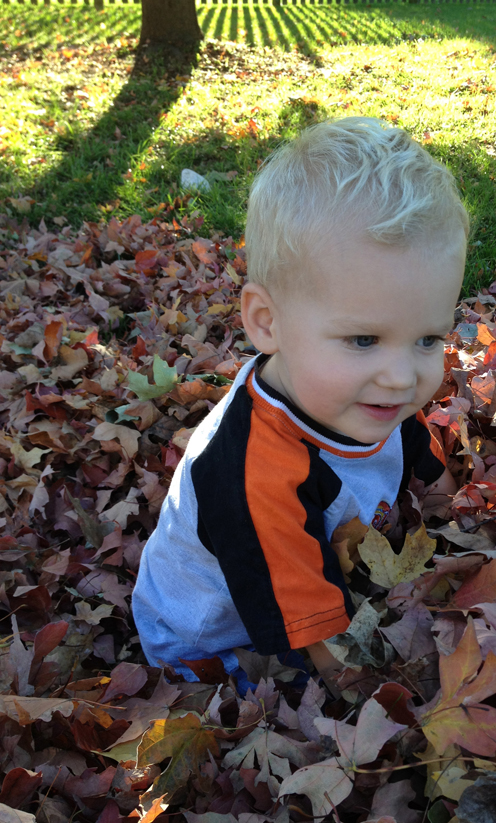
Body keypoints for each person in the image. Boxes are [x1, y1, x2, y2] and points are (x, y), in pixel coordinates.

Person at [132, 116, 469, 692]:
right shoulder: (255, 474)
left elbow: (422, 462)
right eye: (363, 340)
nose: (402, 377)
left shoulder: (363, 394)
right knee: (291, 700)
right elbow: (319, 641)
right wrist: (376, 698)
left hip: (316, 571)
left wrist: (452, 520)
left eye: (428, 339)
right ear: (268, 323)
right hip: (218, 641)